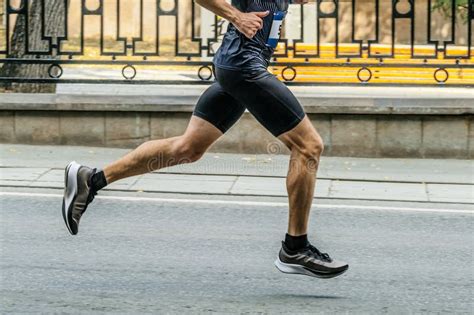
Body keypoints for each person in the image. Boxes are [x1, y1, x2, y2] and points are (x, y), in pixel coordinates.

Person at [62, 0, 348, 279]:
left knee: (188, 148)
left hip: (238, 67)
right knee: (308, 146)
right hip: (244, 67)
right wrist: (236, 16)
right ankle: (295, 248)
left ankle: (92, 180)